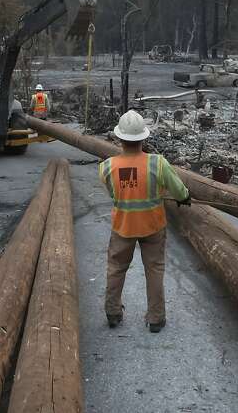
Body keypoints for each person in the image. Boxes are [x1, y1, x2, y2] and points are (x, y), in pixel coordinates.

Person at [98, 110, 190, 333]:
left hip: (123, 227)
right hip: (153, 226)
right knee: (155, 270)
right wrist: (185, 197)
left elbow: (114, 194)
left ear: (119, 138)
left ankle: (112, 312)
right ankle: (156, 318)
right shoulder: (158, 163)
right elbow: (178, 190)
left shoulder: (107, 166)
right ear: (143, 137)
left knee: (116, 268)